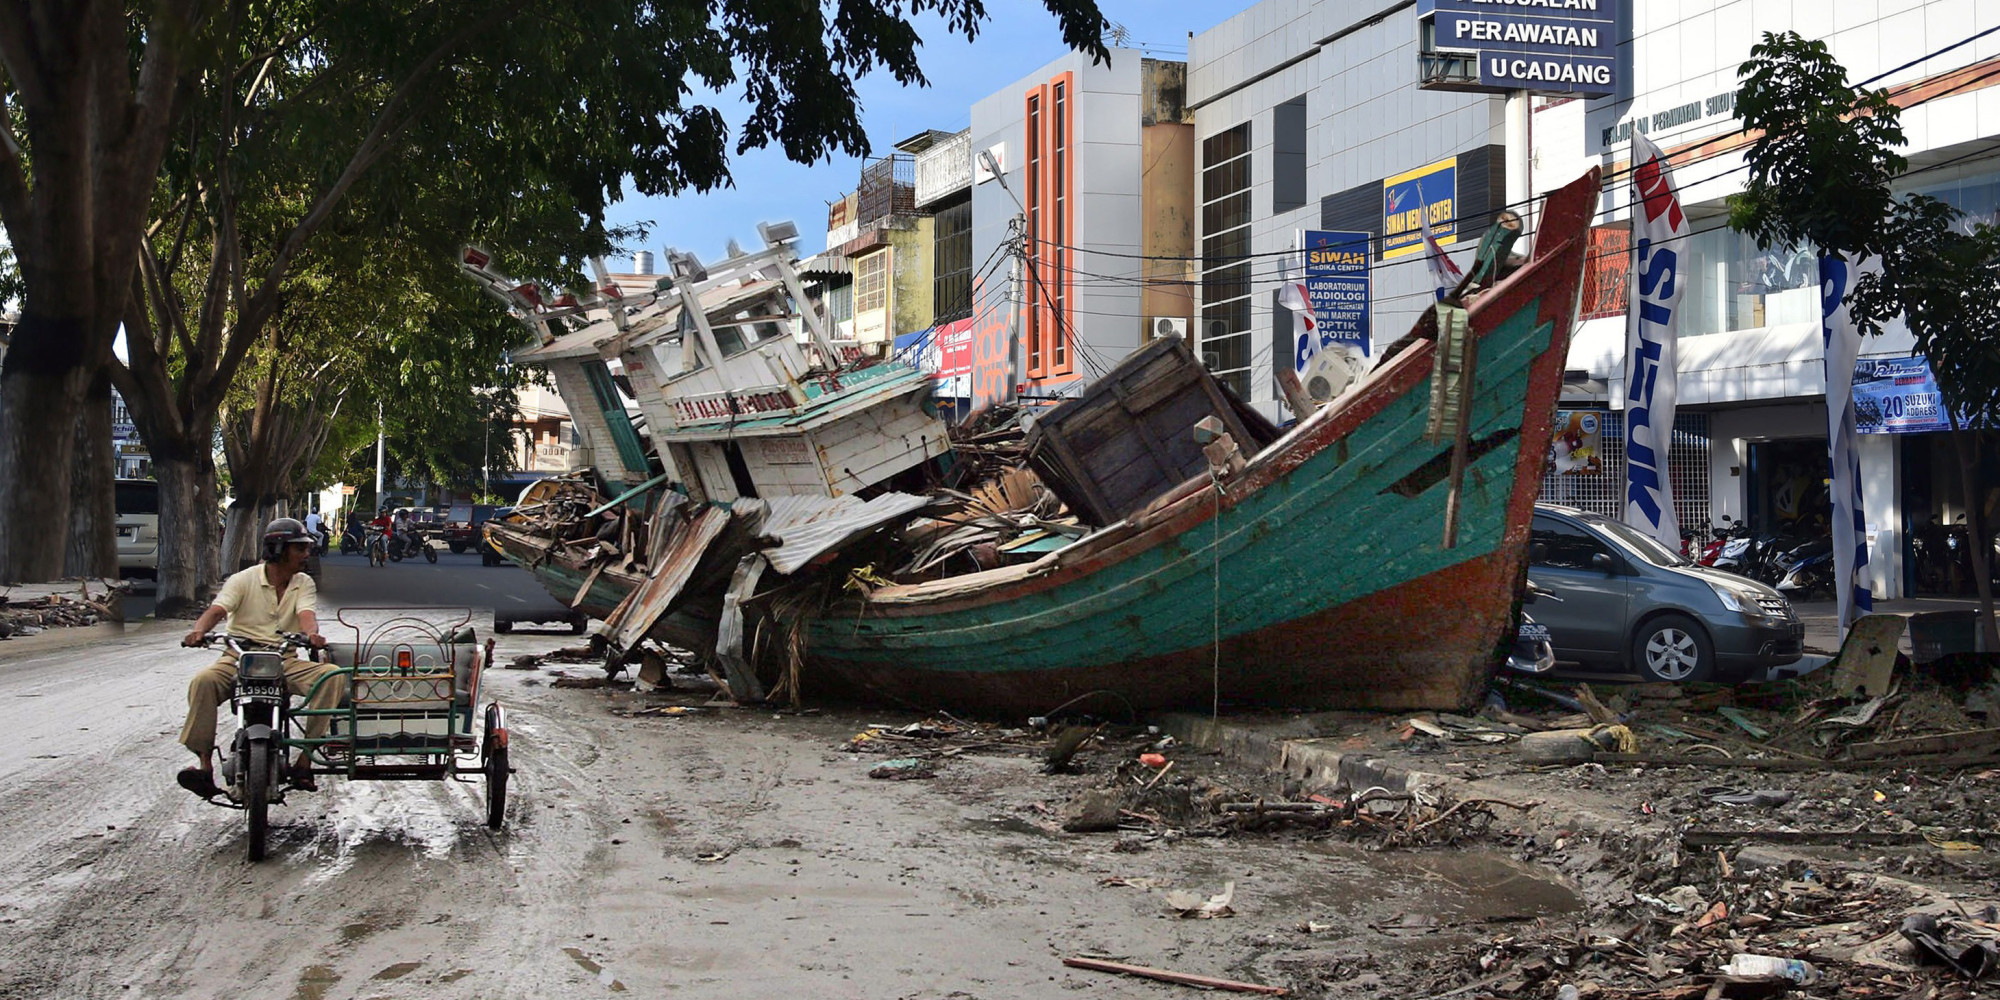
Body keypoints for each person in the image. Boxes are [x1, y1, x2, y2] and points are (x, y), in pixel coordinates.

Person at [176, 517, 347, 798]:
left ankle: (304, 761)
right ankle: (205, 767)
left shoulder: (303, 582)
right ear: (279, 550)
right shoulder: (242, 580)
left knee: (331, 676)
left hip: (284, 658)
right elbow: (217, 610)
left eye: (306, 548)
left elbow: (306, 615)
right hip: (239, 656)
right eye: (299, 549)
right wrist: (198, 631)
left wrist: (312, 635)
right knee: (202, 682)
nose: (306, 554)